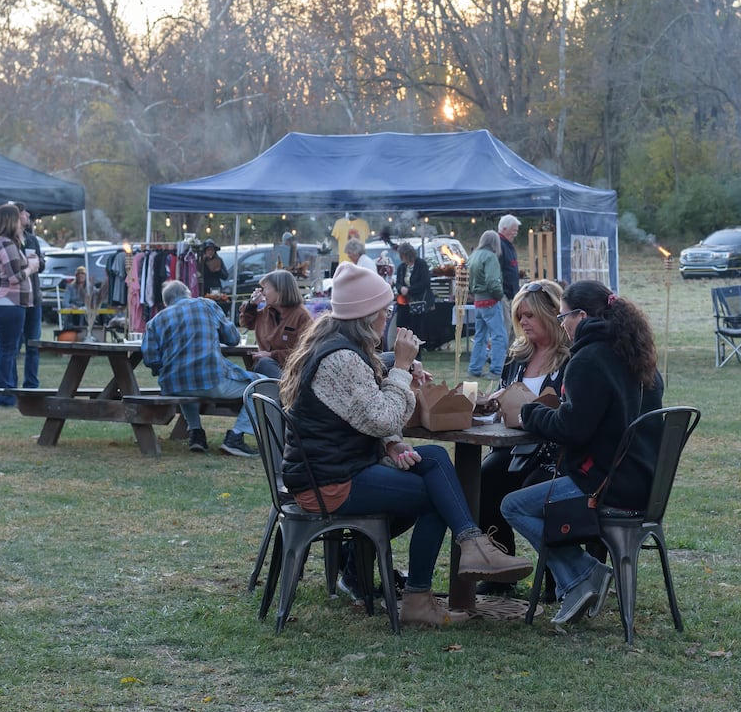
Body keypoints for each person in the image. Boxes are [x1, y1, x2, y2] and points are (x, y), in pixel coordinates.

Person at [280, 261, 533, 628]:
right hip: (329, 483)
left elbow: (366, 414)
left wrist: (392, 444)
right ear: (366, 317)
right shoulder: (341, 360)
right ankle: (422, 595)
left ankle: (470, 546)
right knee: (437, 496)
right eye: (385, 311)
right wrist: (400, 367)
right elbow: (382, 415)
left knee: (431, 459)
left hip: (336, 469)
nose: (389, 318)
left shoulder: (341, 348)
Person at [501, 280, 664, 625]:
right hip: (644, 482)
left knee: (512, 504)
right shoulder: (637, 353)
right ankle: (581, 575)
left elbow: (571, 430)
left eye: (563, 318)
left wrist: (530, 412)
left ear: (581, 315)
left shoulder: (589, 359)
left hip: (605, 485)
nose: (562, 326)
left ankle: (582, 574)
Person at [475, 280, 571, 596]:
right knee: (483, 480)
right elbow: (507, 404)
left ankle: (557, 575)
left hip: (555, 449)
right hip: (516, 446)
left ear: (552, 314)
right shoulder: (517, 357)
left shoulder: (570, 360)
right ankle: (502, 569)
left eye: (530, 315)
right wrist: (494, 402)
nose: (524, 322)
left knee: (536, 489)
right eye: (520, 316)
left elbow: (568, 412)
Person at [144, 279, 265, 455]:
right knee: (261, 385)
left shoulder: (155, 321)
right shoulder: (207, 305)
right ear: (188, 293)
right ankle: (236, 437)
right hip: (212, 380)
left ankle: (196, 433)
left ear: (165, 302)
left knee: (186, 380)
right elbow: (232, 338)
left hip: (173, 385)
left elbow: (151, 359)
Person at [0, 203, 34, 409]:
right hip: (7, 302)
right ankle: (5, 395)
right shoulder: (5, 244)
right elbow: (14, 277)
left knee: (8, 349)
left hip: (3, 302)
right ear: (10, 221)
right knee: (7, 350)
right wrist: (31, 267)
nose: (22, 220)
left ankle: (9, 393)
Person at [238, 269, 312, 379]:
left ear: (280, 290)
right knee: (260, 365)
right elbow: (246, 323)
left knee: (264, 363)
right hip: (267, 368)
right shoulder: (267, 311)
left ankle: (285, 392)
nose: (263, 293)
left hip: (292, 372)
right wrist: (251, 305)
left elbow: (306, 352)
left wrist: (272, 355)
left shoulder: (301, 316)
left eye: (266, 288)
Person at [465, 230, 508, 378]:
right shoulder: (490, 257)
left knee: (480, 336)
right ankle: (496, 369)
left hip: (478, 301)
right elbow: (492, 281)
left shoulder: (473, 256)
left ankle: (474, 368)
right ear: (495, 242)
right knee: (499, 336)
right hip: (490, 300)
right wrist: (499, 296)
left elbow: (467, 280)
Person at [13, 202, 45, 388]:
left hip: (35, 298)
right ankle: (12, 385)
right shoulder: (9, 241)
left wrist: (38, 263)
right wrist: (28, 266)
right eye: (24, 212)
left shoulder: (32, 240)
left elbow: (42, 264)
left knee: (34, 345)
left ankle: (31, 385)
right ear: (17, 216)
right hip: (17, 299)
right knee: (14, 346)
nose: (28, 214)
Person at [393, 242, 434, 343]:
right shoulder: (401, 268)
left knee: (416, 328)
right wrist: (401, 288)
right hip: (404, 302)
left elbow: (425, 282)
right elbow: (398, 283)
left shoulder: (421, 265)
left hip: (418, 302)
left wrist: (409, 290)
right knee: (401, 324)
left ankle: (416, 350)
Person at [497, 214, 522, 300]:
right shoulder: (499, 246)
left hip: (511, 294)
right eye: (514, 231)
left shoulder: (508, 245)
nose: (515, 234)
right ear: (504, 229)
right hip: (505, 295)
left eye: (516, 231)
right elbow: (497, 271)